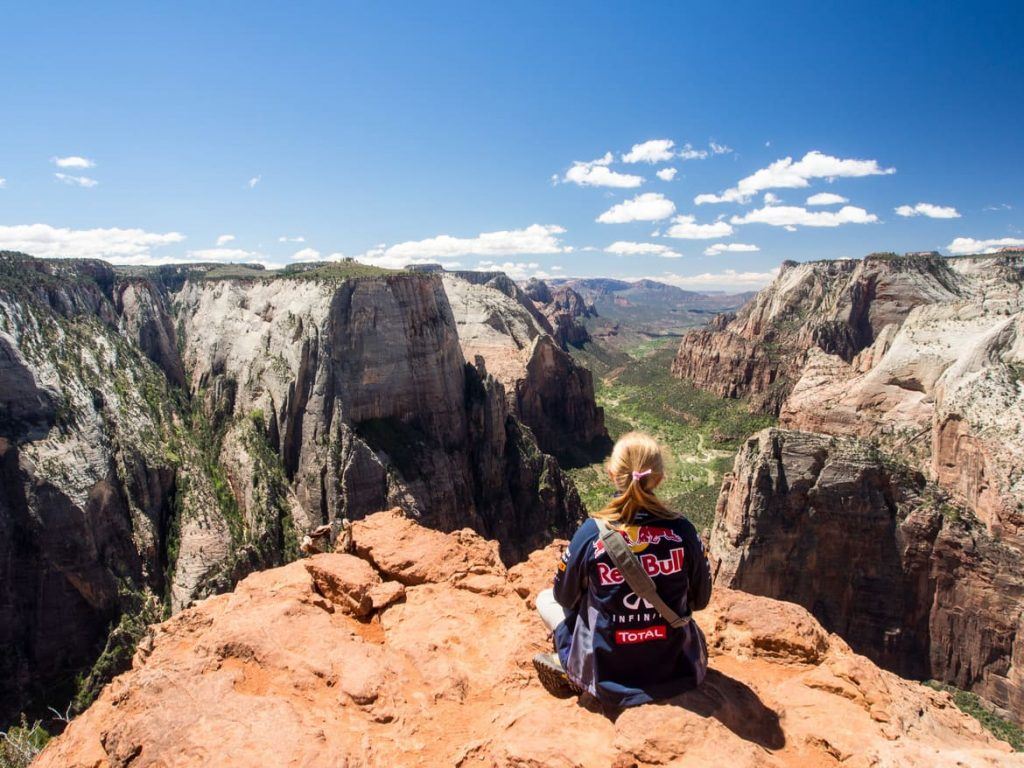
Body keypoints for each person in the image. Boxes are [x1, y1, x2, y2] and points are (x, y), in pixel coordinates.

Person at [533, 431, 712, 709]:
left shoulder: (592, 533)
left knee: (545, 599)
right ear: (659, 478)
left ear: (611, 474)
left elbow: (564, 596)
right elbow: (700, 601)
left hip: (608, 674)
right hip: (677, 670)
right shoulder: (683, 531)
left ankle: (571, 665)